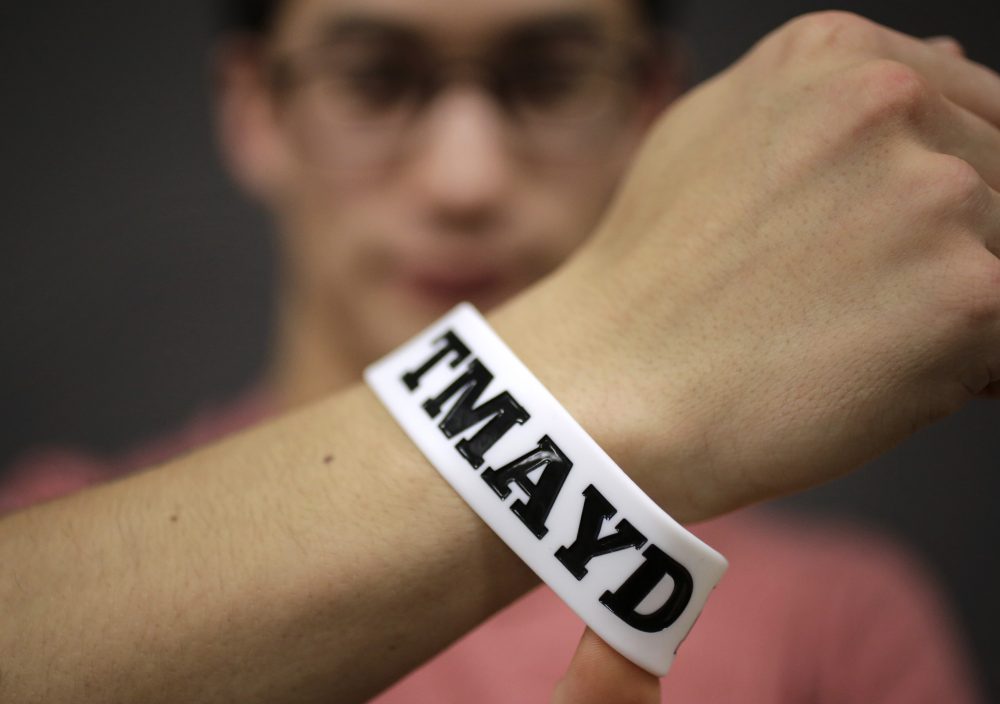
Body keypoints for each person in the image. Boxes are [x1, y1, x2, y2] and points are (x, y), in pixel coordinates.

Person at [0, 0, 995, 701]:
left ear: (648, 106)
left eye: (549, 78)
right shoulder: (52, 550)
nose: (464, 178)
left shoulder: (836, 618)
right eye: (376, 78)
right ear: (257, 105)